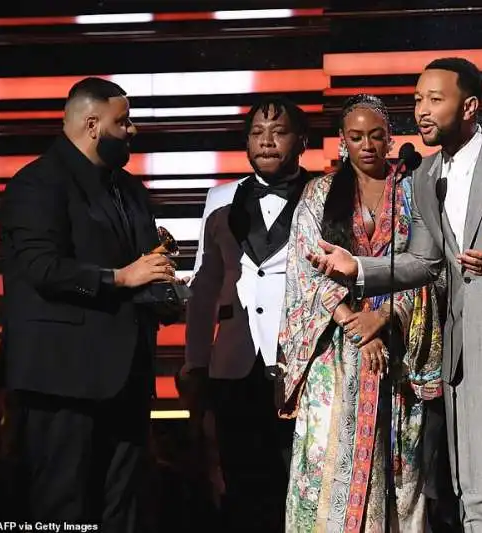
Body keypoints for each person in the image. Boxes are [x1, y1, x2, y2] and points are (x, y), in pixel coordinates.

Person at [306, 58, 482, 533]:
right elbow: (425, 262)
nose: (422, 110)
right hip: (464, 348)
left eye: (435, 99)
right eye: (418, 99)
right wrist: (358, 267)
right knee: (475, 491)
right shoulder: (424, 177)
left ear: (469, 107)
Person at [0, 77, 182, 530]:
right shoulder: (37, 183)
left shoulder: (131, 190)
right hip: (62, 379)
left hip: (128, 378)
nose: (133, 130)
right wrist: (121, 277)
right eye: (125, 121)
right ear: (93, 124)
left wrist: (166, 291)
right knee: (62, 506)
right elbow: (41, 267)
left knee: (123, 507)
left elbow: (145, 266)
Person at [277, 94, 443, 532]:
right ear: (341, 142)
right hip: (335, 348)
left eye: (375, 135)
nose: (366, 145)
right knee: (328, 459)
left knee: (399, 466)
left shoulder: (413, 190)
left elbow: (429, 266)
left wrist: (385, 316)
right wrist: (358, 326)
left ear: (390, 138)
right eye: (356, 136)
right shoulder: (318, 193)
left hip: (399, 347)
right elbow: (305, 267)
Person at [183, 96, 311, 532]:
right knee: (240, 485)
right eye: (257, 133)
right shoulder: (220, 197)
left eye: (279, 132)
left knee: (299, 484)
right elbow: (204, 288)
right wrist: (194, 362)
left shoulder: (325, 193)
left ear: (302, 142)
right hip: (235, 362)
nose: (267, 141)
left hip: (301, 360)